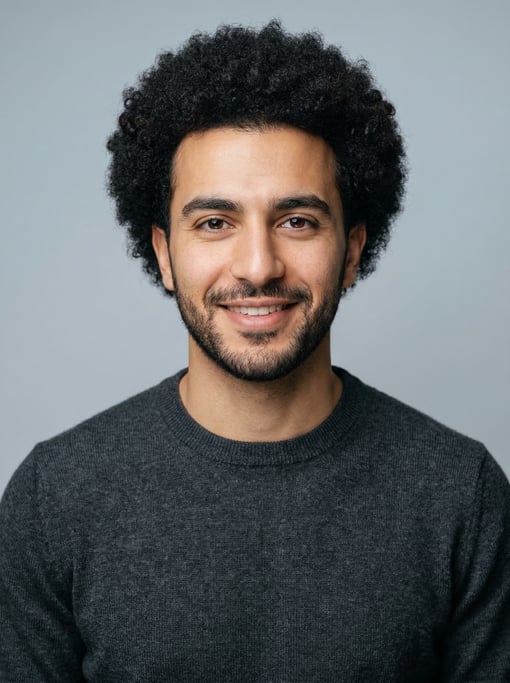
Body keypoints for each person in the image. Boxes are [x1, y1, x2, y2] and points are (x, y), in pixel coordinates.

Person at [1, 21, 509, 682]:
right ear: (163, 253)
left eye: (297, 221)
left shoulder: (461, 497)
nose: (258, 264)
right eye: (215, 222)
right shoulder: (53, 499)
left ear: (352, 250)